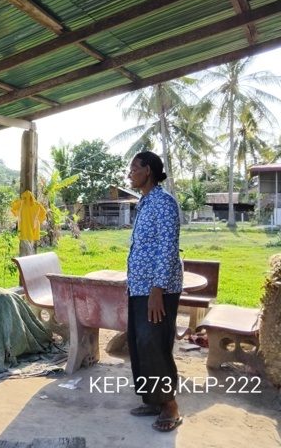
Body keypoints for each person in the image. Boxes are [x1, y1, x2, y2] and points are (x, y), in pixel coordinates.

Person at [126, 151, 183, 433]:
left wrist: (157, 289)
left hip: (158, 288)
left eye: (133, 169)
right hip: (138, 287)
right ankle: (152, 400)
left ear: (147, 170)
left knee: (154, 343)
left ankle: (169, 405)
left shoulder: (164, 202)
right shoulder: (144, 202)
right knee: (139, 343)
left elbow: (168, 248)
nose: (129, 174)